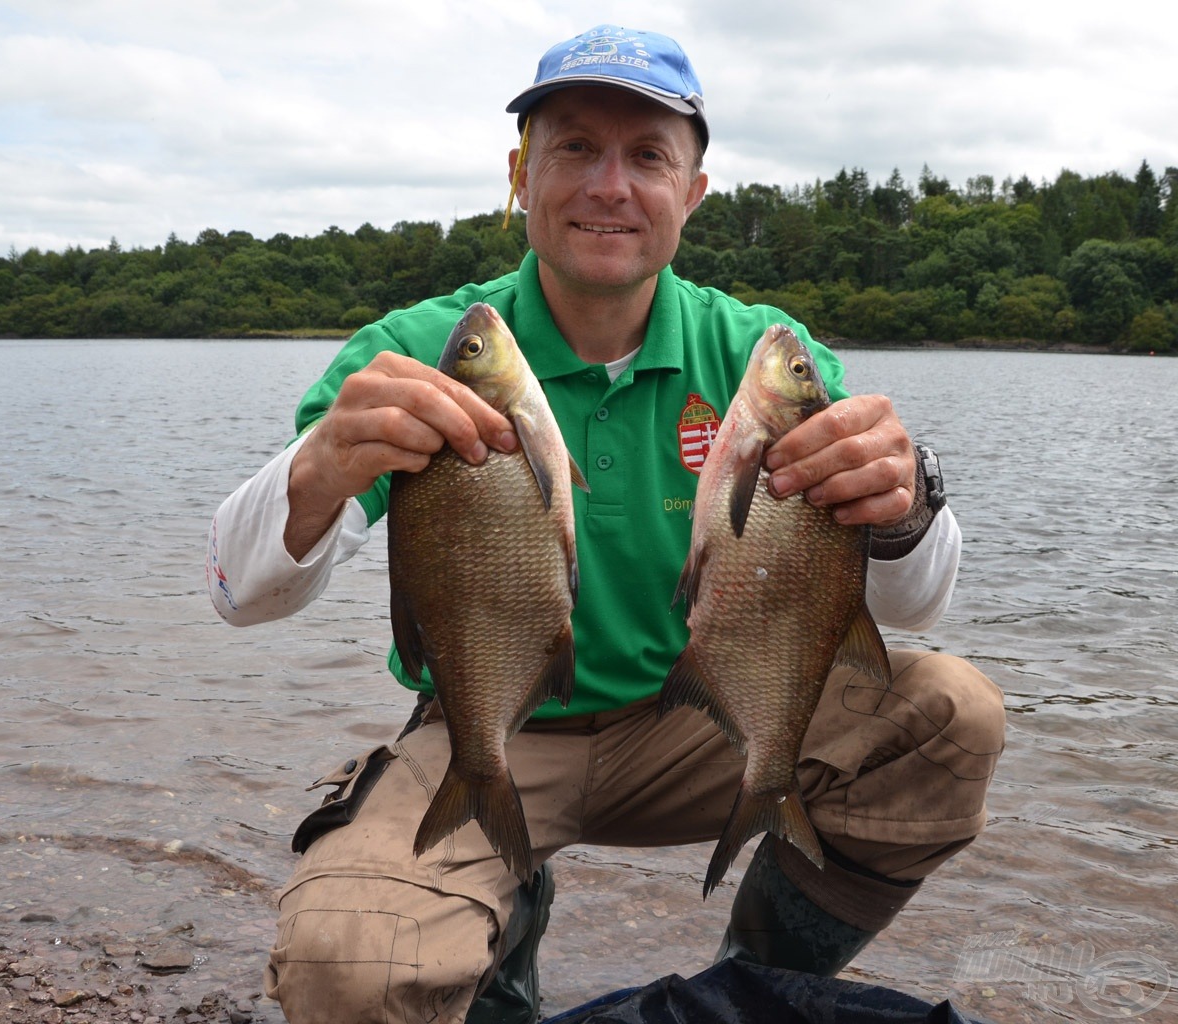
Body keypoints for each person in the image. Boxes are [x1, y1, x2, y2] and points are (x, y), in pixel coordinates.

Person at [207, 24, 1005, 1024]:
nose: (608, 185)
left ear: (692, 193)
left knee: (949, 716)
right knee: (347, 969)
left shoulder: (763, 355)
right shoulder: (422, 349)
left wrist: (906, 504)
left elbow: (910, 601)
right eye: (574, 148)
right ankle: (504, 903)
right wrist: (320, 463)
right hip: (489, 725)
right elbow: (238, 593)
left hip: (707, 714)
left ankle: (754, 984)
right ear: (519, 175)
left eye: (646, 157)